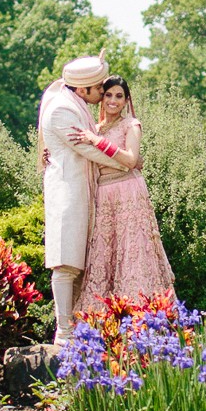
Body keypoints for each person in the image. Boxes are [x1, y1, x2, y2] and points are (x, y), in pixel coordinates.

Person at [73, 75, 174, 313]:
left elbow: (130, 160)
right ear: (101, 98)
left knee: (132, 251)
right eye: (108, 95)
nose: (113, 101)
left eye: (119, 96)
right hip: (104, 196)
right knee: (105, 255)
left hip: (129, 192)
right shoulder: (93, 129)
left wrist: (97, 141)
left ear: (127, 100)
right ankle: (102, 320)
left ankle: (142, 317)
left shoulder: (131, 125)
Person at [39, 55, 118, 345]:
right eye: (99, 87)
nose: (102, 92)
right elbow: (86, 148)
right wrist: (124, 162)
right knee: (65, 262)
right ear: (83, 89)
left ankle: (75, 326)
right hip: (67, 192)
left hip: (81, 190)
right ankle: (64, 331)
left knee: (78, 263)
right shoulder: (62, 109)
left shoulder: (76, 105)